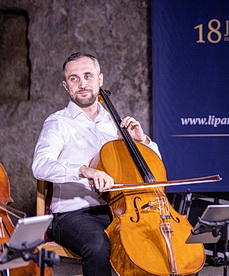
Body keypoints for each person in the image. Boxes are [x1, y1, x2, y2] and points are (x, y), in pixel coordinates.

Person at [32, 52, 161, 276]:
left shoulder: (115, 123)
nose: (82, 84)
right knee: (98, 245)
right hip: (73, 215)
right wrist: (82, 170)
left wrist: (142, 142)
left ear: (100, 80)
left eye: (88, 76)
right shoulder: (58, 122)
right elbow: (40, 165)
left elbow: (153, 165)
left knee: (160, 241)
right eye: (74, 78)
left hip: (119, 210)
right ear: (66, 86)